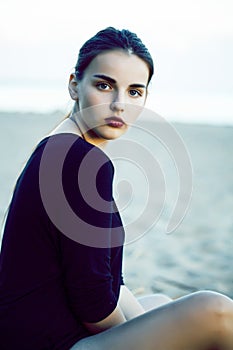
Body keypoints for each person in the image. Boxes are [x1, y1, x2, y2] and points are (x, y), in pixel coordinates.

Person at [0, 26, 233, 350]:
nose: (119, 104)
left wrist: (142, 329)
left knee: (160, 301)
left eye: (134, 91)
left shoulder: (59, 146)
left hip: (45, 330)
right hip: (50, 342)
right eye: (104, 85)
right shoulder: (78, 160)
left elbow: (110, 283)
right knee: (216, 311)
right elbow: (93, 303)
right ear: (74, 85)